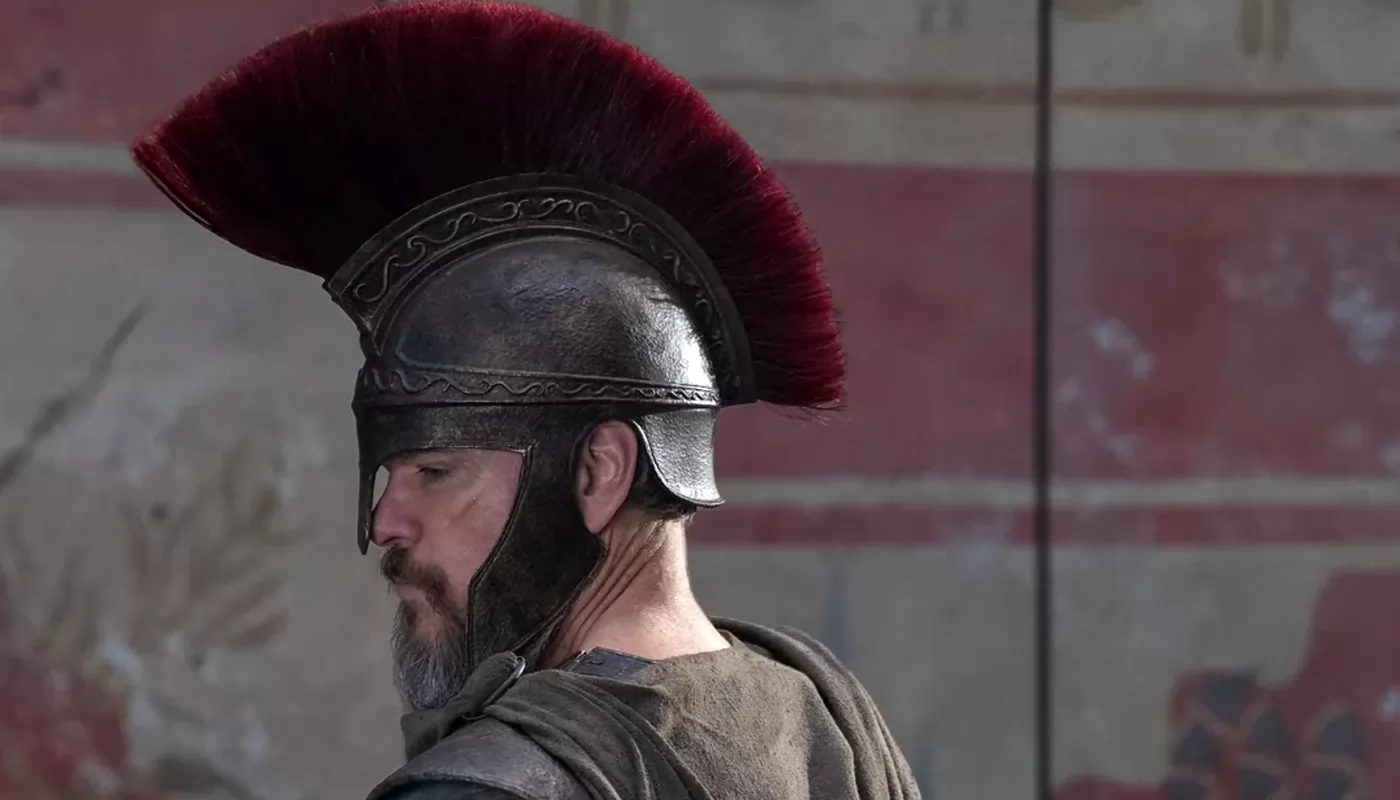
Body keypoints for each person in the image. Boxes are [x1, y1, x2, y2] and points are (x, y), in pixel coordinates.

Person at [132, 3, 920, 799]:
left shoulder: (487, 790)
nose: (386, 523)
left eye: (434, 471)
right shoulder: (824, 718)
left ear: (599, 471)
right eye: (393, 477)